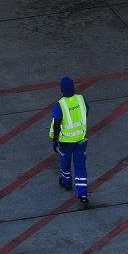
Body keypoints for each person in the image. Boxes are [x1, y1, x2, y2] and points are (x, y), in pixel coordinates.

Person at [49, 76, 90, 206]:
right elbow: (86, 111)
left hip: (66, 142)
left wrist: (55, 140)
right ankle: (83, 194)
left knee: (65, 163)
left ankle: (66, 182)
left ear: (61, 89)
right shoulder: (81, 99)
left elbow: (56, 124)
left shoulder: (60, 105)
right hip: (80, 140)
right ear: (73, 87)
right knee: (80, 167)